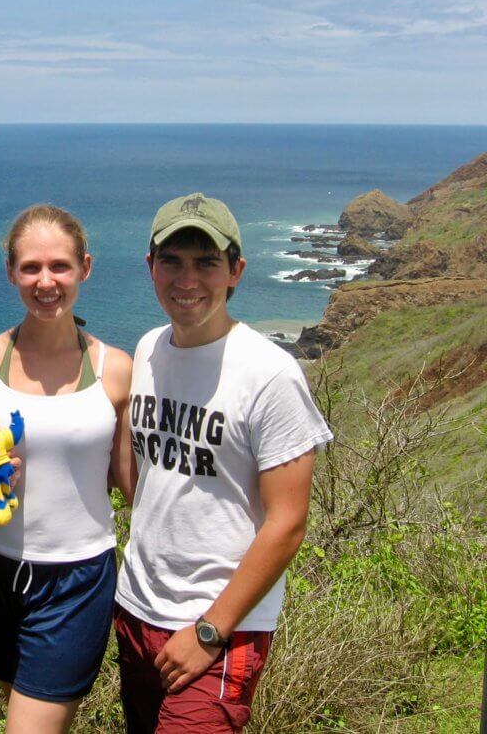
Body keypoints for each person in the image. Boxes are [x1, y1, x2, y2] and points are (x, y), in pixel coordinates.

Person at [114, 193, 334, 733]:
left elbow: (288, 522)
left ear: (235, 270)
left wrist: (212, 630)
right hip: (137, 610)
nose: (187, 280)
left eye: (206, 263)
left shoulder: (269, 374)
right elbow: (149, 478)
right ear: (151, 268)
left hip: (216, 630)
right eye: (172, 261)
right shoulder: (148, 350)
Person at [0, 204, 134, 734]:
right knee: (21, 704)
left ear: (85, 268)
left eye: (60, 266)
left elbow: (130, 485)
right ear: (11, 272)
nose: (45, 281)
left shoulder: (116, 369)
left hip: (78, 577)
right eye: (31, 267)